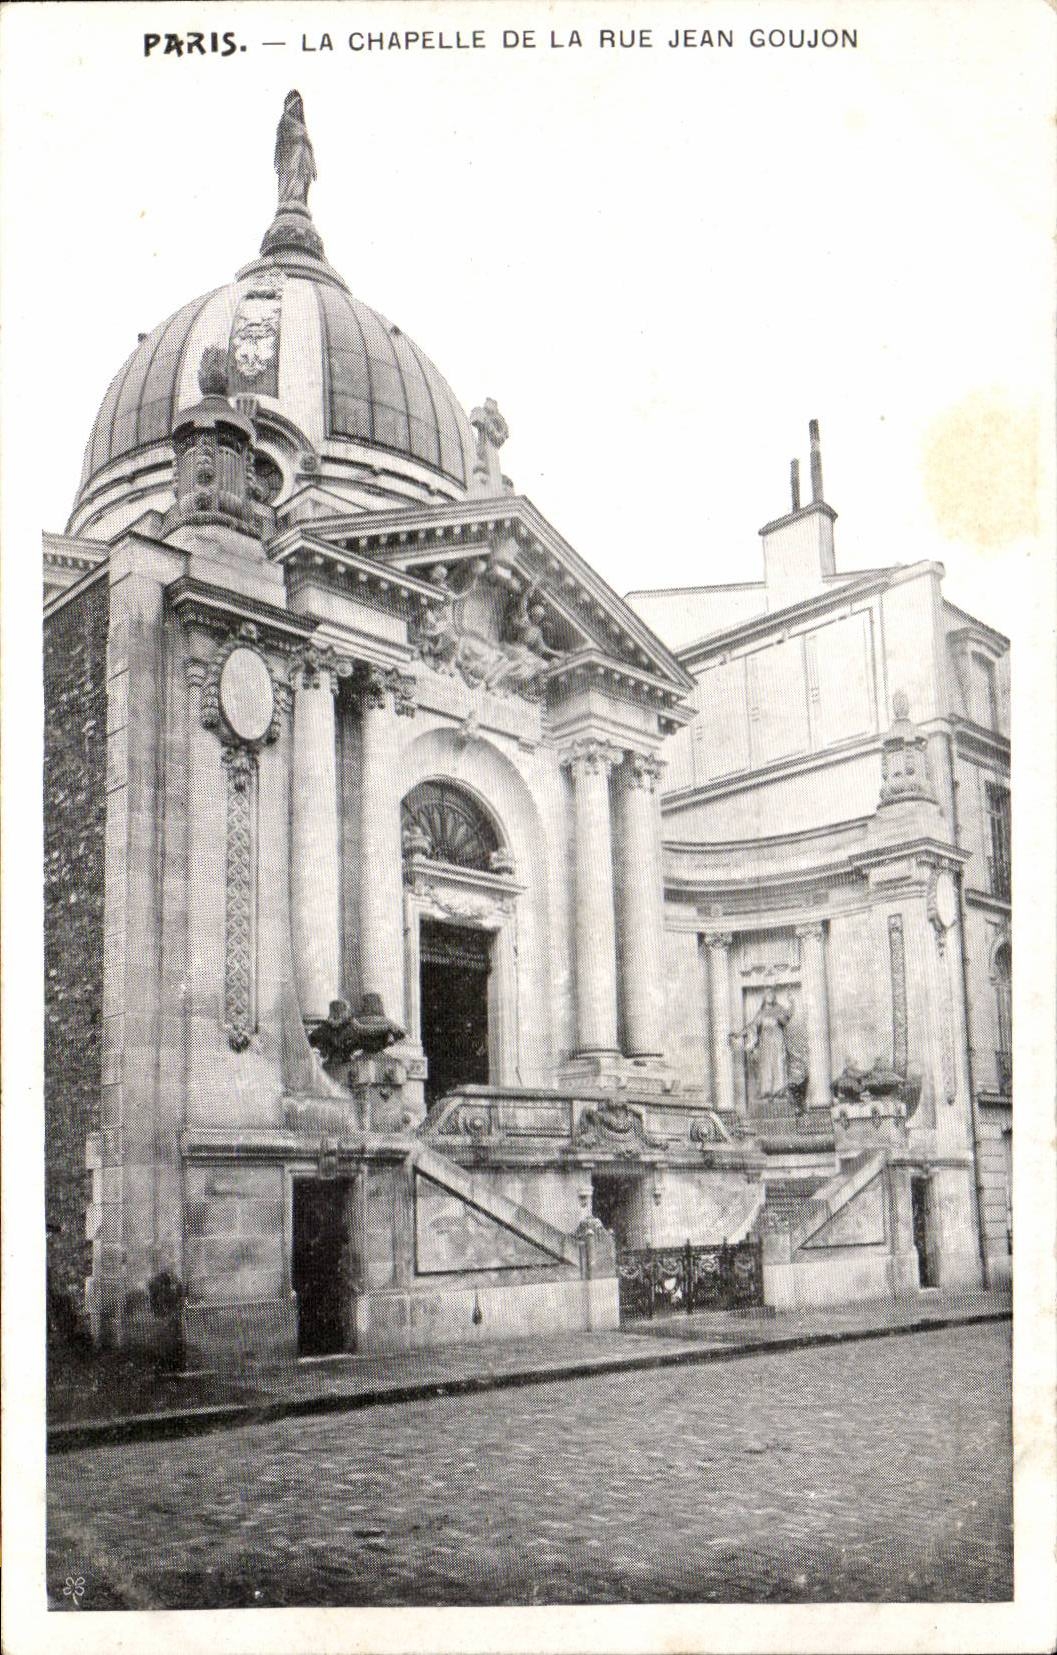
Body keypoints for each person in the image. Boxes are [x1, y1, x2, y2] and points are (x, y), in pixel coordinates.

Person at [730, 988, 792, 1099]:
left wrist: (782, 1015)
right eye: (768, 994)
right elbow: (752, 1026)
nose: (770, 996)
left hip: (778, 1042)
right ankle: (766, 1091)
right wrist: (739, 1034)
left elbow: (786, 1020)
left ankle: (779, 1090)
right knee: (766, 1065)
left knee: (778, 1064)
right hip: (765, 1044)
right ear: (765, 997)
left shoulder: (779, 1009)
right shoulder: (761, 1012)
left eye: (772, 994)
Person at [275, 91, 317, 207]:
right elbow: (281, 149)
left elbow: (307, 145)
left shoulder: (302, 126)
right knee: (291, 181)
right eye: (296, 105)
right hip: (290, 160)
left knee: (301, 182)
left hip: (302, 161)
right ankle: (289, 200)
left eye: (300, 105)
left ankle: (299, 201)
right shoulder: (285, 123)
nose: (298, 108)